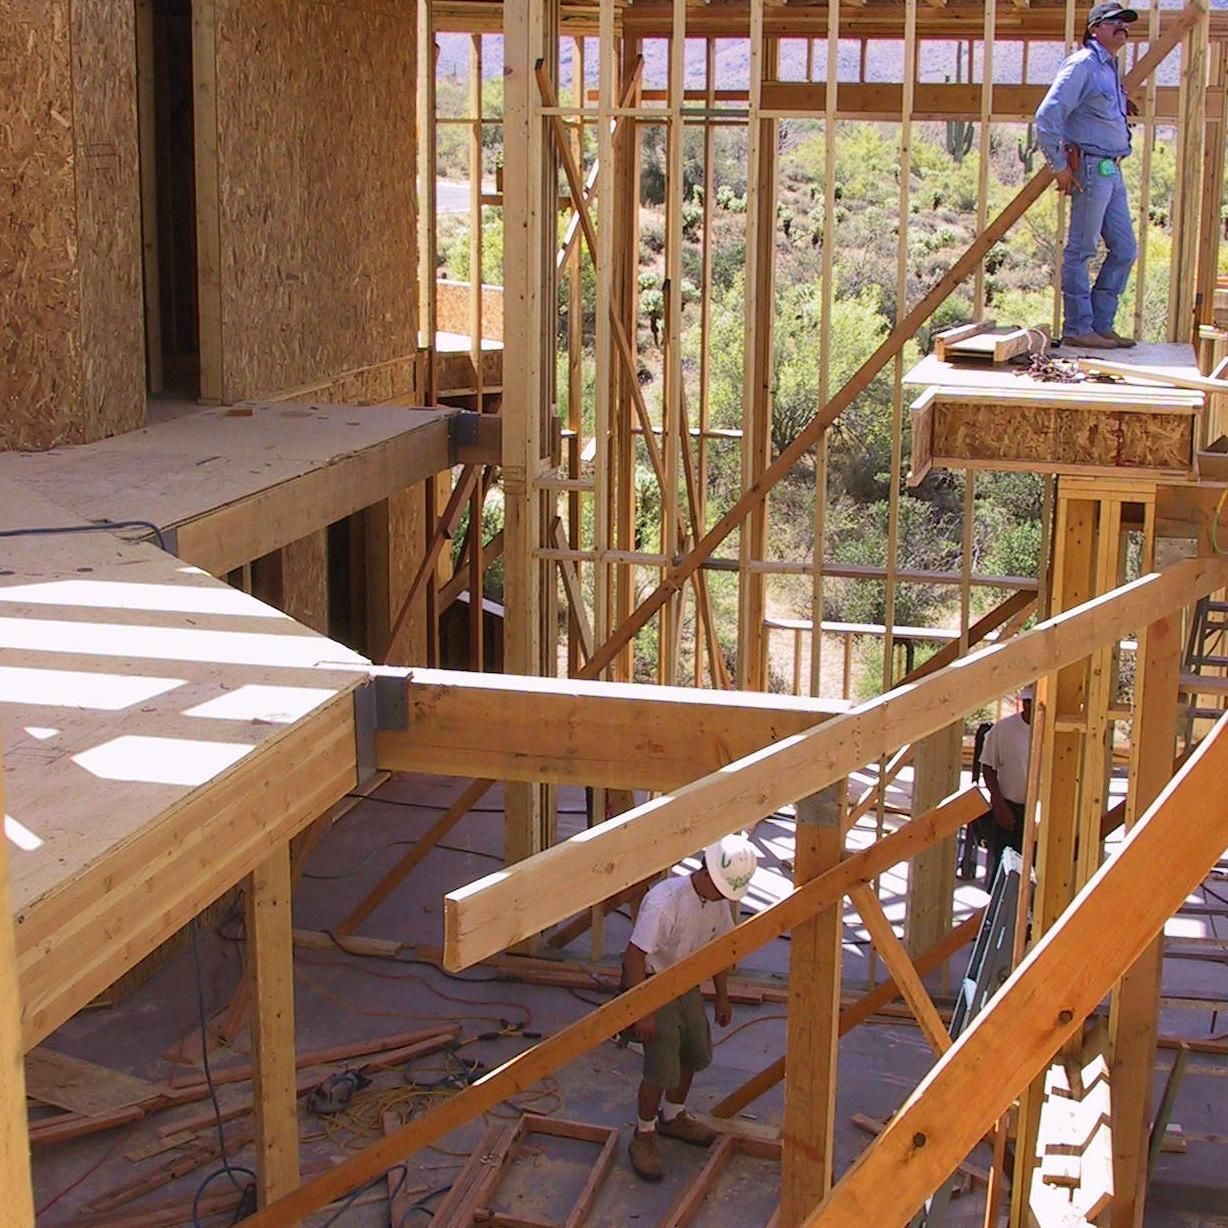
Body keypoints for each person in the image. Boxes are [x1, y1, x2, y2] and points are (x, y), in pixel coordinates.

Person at [622, 833, 758, 1182]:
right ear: (709, 874)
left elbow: (719, 949)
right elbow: (635, 956)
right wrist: (643, 1010)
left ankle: (673, 1115)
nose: (726, 898)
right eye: (724, 890)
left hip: (686, 981)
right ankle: (645, 1132)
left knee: (696, 1051)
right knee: (662, 1061)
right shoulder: (665, 901)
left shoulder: (717, 902)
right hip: (653, 980)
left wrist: (722, 995)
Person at [1034, 2, 1140, 350]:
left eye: (1126, 23)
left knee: (1124, 249)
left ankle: (1099, 324)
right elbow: (1047, 115)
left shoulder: (1108, 68)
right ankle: (1080, 326)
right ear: (1095, 28)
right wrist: (1059, 167)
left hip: (1111, 168)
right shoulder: (1082, 64)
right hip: (1092, 168)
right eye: (1115, 22)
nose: (1122, 27)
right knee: (1081, 250)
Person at [980, 684, 1035, 886]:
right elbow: (988, 767)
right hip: (1010, 811)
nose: (1029, 708)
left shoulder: (1053, 730)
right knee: (1003, 875)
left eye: (1034, 703)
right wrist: (999, 804)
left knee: (1033, 877)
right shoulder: (1004, 730)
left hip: (1038, 813)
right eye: (1027, 702)